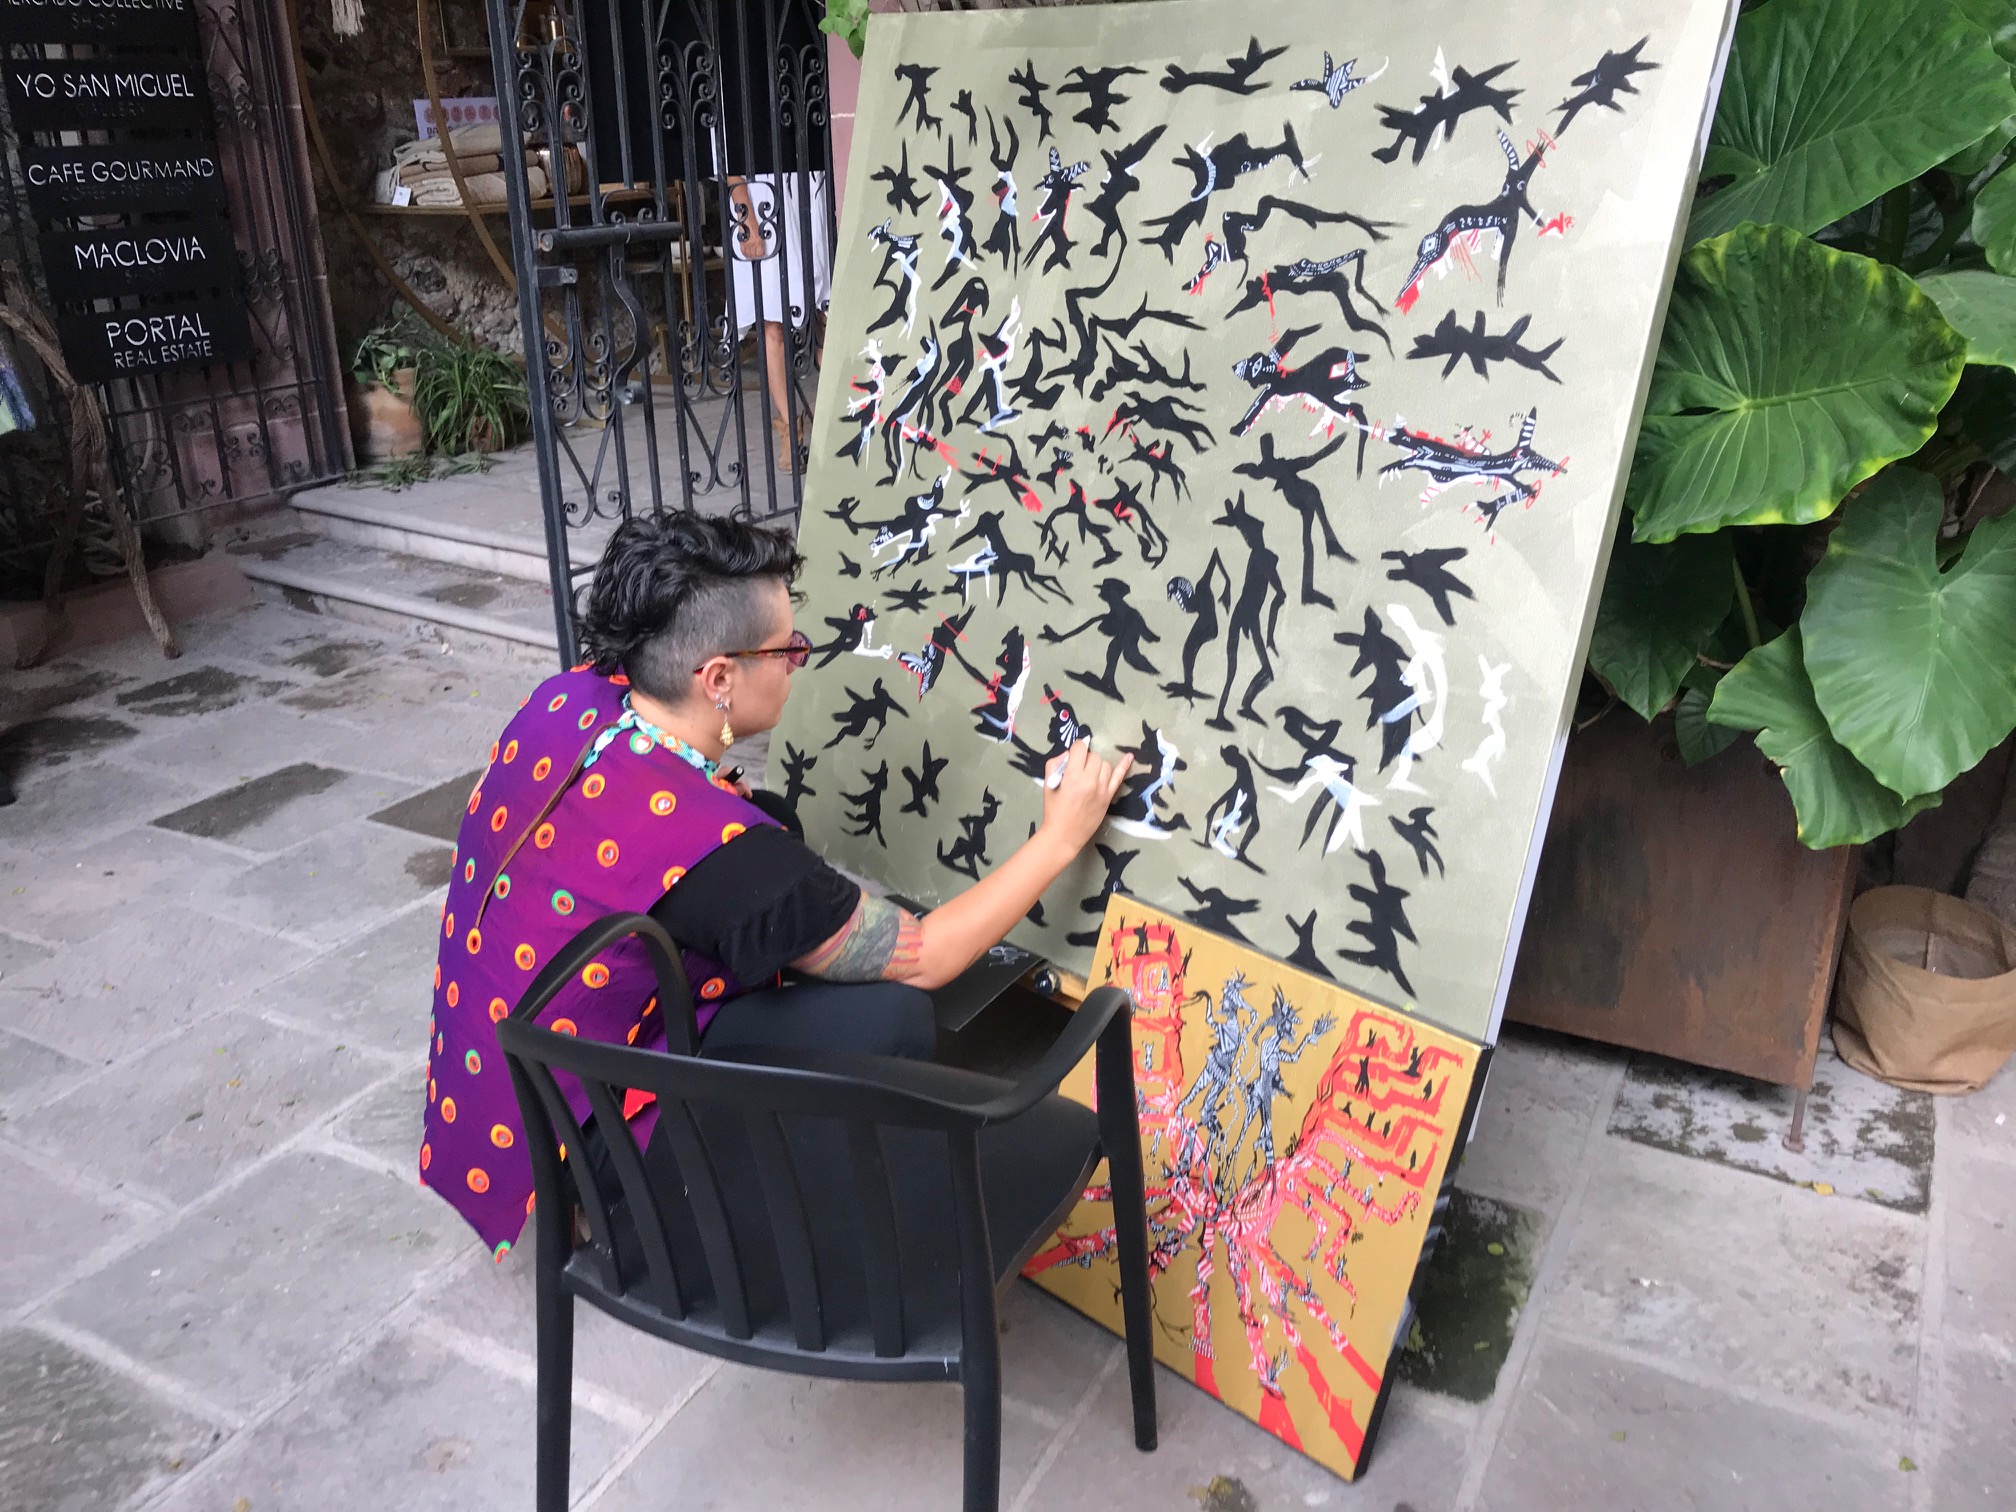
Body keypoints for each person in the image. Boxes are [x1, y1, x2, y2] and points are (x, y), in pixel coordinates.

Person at [419, 512, 1132, 1256]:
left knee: (775, 818)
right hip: (590, 1139)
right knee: (894, 1015)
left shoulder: (566, 699)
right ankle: (651, 1202)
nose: (798, 661)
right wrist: (1059, 838)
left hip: (499, 1092)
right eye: (785, 649)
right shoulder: (732, 862)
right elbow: (928, 955)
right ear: (718, 679)